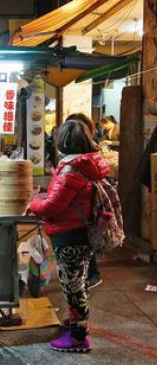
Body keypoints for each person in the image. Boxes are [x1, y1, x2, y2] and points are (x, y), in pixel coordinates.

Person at [29, 120, 109, 353]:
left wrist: (32, 203)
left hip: (69, 233)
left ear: (63, 143)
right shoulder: (88, 164)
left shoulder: (71, 169)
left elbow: (52, 207)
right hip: (82, 232)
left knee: (73, 286)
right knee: (79, 282)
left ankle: (78, 338)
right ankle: (78, 323)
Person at [65, 113, 103, 289]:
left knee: (81, 241)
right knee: (86, 240)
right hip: (87, 208)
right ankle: (91, 274)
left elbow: (69, 187)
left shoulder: (79, 160)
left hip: (80, 209)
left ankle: (90, 276)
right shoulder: (92, 155)